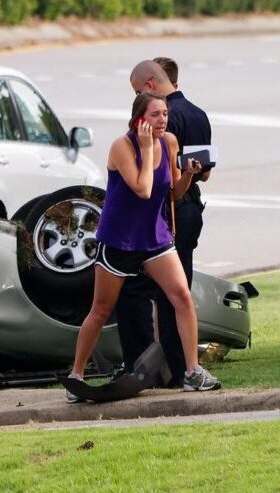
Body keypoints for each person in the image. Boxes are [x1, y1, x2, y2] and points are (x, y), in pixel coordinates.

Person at [67, 92, 220, 401]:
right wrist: (148, 148)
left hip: (155, 237)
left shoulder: (170, 142)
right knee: (101, 309)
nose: (162, 120)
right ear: (139, 119)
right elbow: (143, 189)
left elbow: (173, 194)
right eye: (155, 115)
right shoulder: (122, 146)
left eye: (164, 113)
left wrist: (189, 173)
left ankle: (192, 372)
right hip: (120, 239)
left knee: (181, 297)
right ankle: (76, 375)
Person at [115, 59, 214, 387]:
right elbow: (207, 171)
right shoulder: (198, 115)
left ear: (151, 85)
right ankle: (180, 367)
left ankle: (144, 363)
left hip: (161, 212)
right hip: (190, 209)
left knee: (135, 289)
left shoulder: (155, 123)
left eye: (138, 90)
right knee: (178, 291)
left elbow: (150, 178)